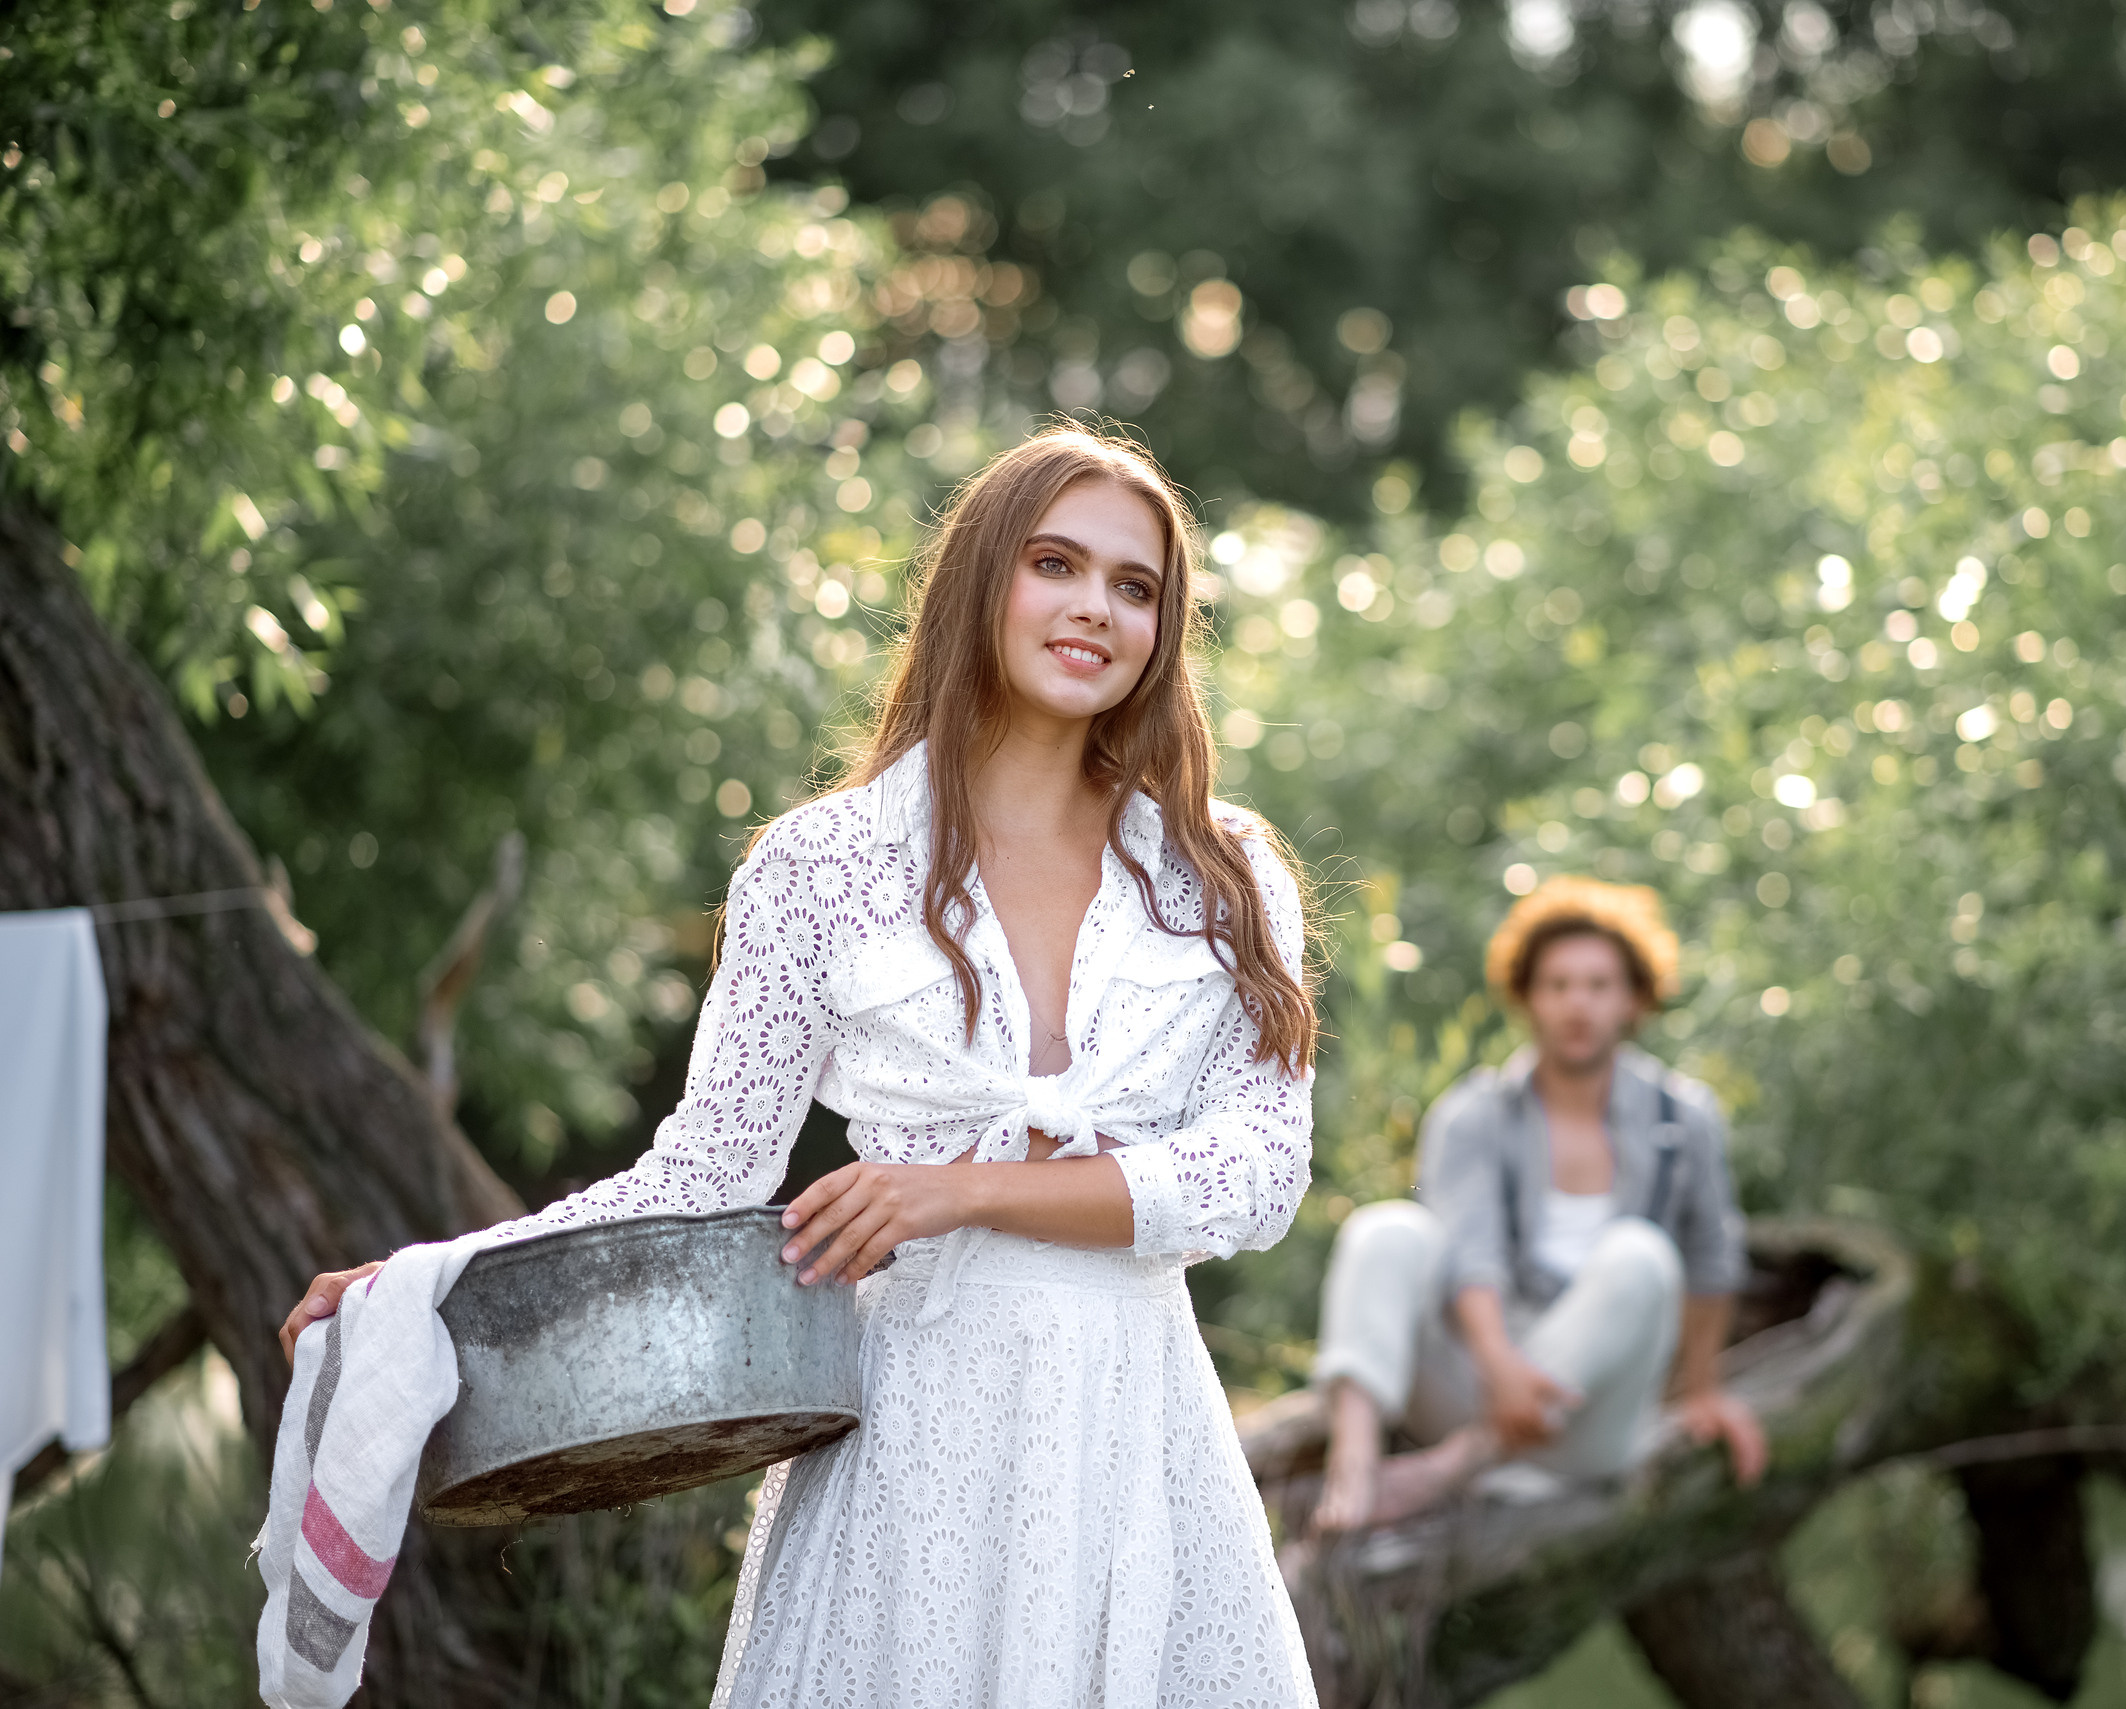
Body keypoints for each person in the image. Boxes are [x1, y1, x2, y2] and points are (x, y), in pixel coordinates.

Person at [277, 427, 1322, 1707]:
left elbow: (1256, 1173)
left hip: (1135, 1432)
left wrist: (958, 1190)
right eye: (1057, 563)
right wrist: (437, 1279)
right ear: (982, 580)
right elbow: (707, 1171)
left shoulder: (1220, 873)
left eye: (1135, 585)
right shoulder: (819, 868)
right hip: (908, 1433)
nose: (1094, 607)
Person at [1308, 876, 1766, 1533]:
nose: (1577, 1005)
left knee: (1642, 1254)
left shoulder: (1683, 1118)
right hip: (1476, 1382)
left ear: (1634, 998)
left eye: (1598, 985)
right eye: (1557, 985)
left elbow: (1712, 1262)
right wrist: (1501, 1368)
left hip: (1589, 1426)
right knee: (1387, 1229)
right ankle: (1351, 1465)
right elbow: (1471, 1253)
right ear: (1527, 997)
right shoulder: (1474, 1113)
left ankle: (1455, 1465)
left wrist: (1703, 1391)